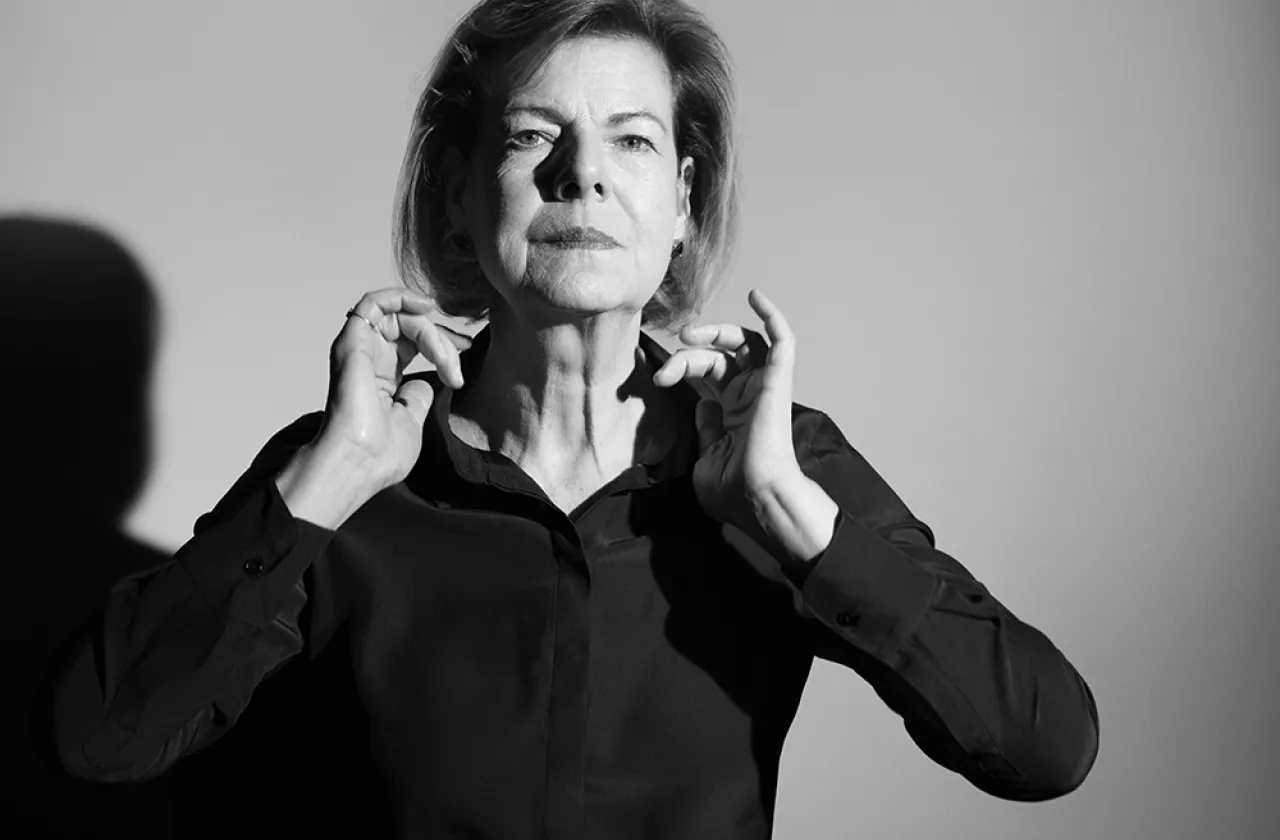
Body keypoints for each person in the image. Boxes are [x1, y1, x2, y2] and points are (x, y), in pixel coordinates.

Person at [47, 0, 1100, 837]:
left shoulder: (776, 455)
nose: (581, 172)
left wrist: (788, 511)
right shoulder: (343, 469)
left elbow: (1045, 747)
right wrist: (330, 479)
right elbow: (98, 739)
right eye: (530, 136)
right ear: (459, 196)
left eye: (631, 141)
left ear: (681, 203)